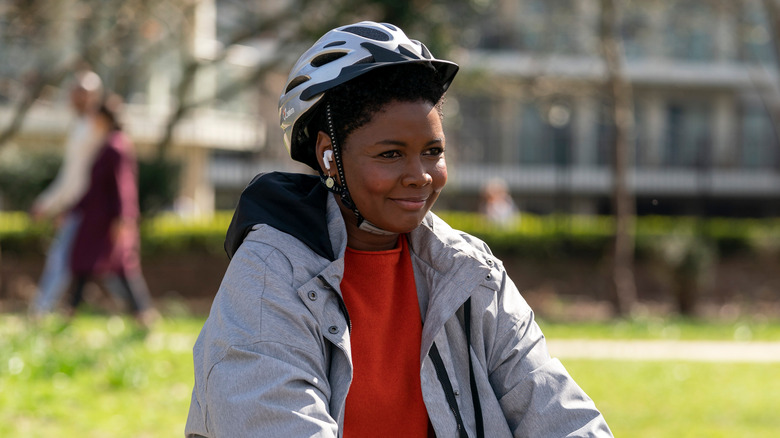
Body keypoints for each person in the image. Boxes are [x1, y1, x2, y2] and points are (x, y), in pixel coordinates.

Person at [186, 21, 612, 437]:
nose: (420, 176)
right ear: (329, 156)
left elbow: (556, 410)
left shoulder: (469, 273)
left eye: (432, 152)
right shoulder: (268, 279)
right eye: (391, 154)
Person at [66, 97, 157, 327]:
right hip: (97, 221)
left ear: (104, 118)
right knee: (86, 266)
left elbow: (122, 187)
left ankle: (144, 316)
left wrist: (122, 219)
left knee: (122, 268)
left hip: (109, 223)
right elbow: (95, 187)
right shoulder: (108, 145)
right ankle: (69, 312)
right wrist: (73, 210)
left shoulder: (116, 146)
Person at [29, 70, 105, 317]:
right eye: (75, 92)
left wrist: (52, 204)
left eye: (84, 92)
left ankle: (41, 311)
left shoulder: (96, 128)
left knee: (62, 260)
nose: (77, 97)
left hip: (86, 208)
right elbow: (70, 174)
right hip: (78, 207)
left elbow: (78, 177)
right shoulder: (81, 127)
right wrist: (51, 203)